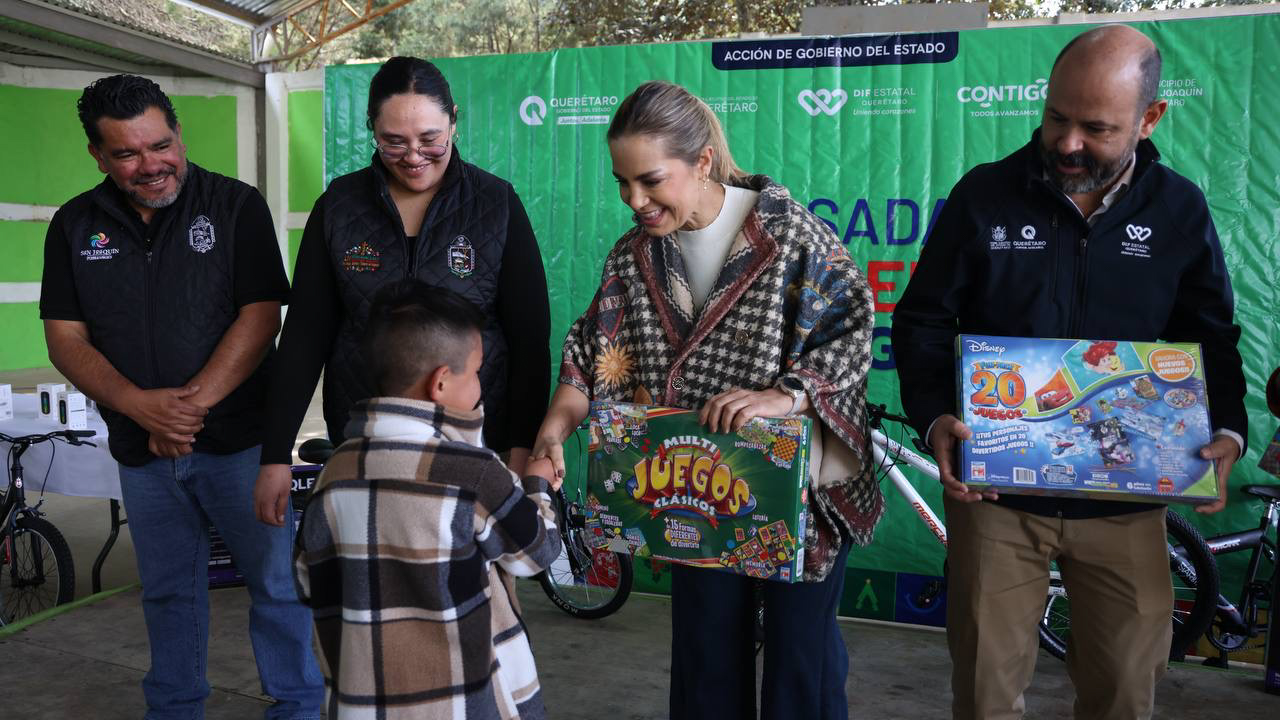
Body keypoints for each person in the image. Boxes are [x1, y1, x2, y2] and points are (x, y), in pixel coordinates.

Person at [892, 25, 1248, 720]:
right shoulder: (984, 197)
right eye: (1057, 117)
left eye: (1097, 127)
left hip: (1127, 505)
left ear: (1150, 120)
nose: (1068, 143)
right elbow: (924, 321)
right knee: (984, 694)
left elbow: (1209, 337)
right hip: (996, 502)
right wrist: (935, 416)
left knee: (1122, 691)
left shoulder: (1179, 211)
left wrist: (1226, 432)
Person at [532, 81, 880, 719]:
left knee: (801, 665)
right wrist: (554, 429)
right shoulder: (635, 257)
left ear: (702, 163)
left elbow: (852, 332)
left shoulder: (792, 235)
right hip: (692, 489)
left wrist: (786, 397)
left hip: (799, 496)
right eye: (622, 183)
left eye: (650, 180)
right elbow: (592, 352)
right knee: (704, 660)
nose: (635, 200)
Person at [39, 74, 323, 719]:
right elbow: (65, 337)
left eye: (160, 145)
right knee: (168, 592)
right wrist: (141, 407)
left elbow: (259, 316)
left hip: (242, 445)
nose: (151, 165)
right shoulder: (75, 225)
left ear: (178, 132)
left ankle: (299, 707)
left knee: (276, 585)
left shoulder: (235, 206)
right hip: (143, 454)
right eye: (127, 154)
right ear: (97, 155)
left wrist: (184, 411)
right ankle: (174, 708)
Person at [255, 56, 550, 527]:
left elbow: (530, 340)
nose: (414, 156)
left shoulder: (496, 204)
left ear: (453, 119)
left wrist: (520, 447)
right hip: (367, 449)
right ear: (372, 129)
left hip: (474, 445)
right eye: (394, 142)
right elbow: (305, 337)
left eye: (430, 139)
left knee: (473, 588)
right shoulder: (339, 207)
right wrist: (275, 455)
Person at [293, 280, 560, 719]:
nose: (478, 386)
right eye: (474, 373)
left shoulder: (335, 473)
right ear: (440, 383)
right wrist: (536, 487)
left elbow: (306, 581)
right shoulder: (472, 473)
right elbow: (536, 554)